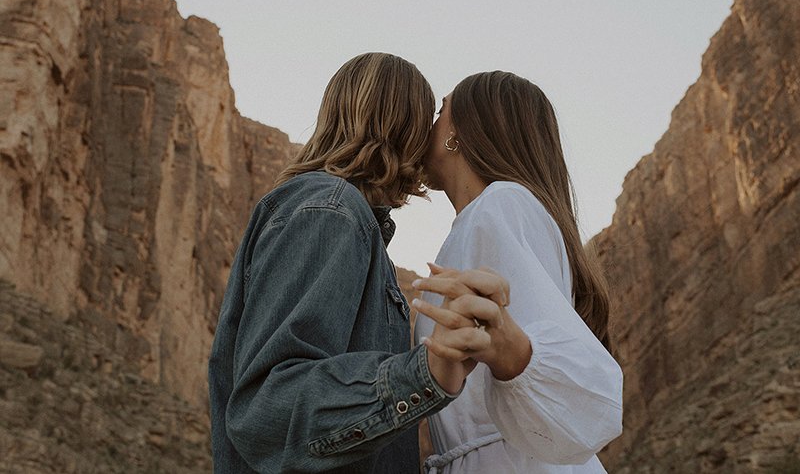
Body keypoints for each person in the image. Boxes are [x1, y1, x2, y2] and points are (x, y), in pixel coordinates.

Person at [207, 53, 498, 473]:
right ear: (404, 123)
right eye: (429, 115)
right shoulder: (331, 211)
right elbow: (270, 406)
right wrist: (425, 373)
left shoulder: (343, 218)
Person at [411, 71, 624, 473]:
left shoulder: (501, 205)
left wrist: (511, 351)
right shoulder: (490, 215)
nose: (429, 124)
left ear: (459, 133)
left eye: (441, 111)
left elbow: (580, 386)